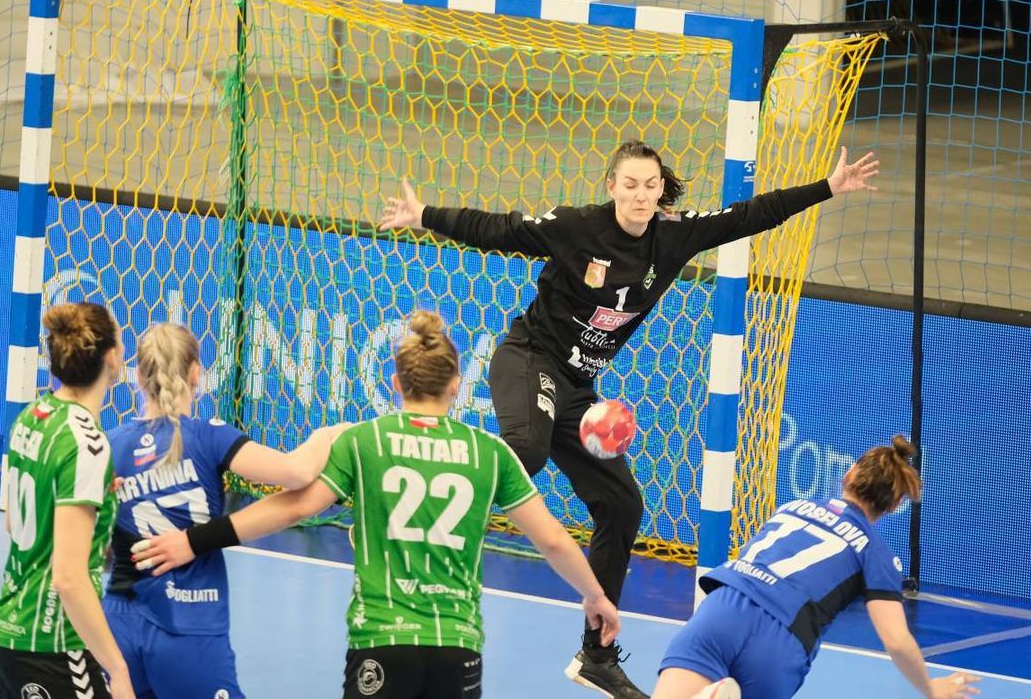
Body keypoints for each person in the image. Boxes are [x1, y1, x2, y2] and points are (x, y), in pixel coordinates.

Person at [376, 140, 881, 698]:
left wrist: (827, 188)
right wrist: (424, 216)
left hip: (578, 391)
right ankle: (423, 516)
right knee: (527, 450)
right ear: (611, 185)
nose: (640, 195)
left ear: (661, 188)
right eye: (630, 184)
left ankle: (597, 654)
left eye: (650, 185)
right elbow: (500, 230)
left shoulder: (673, 236)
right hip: (530, 360)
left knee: (622, 505)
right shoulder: (577, 227)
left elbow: (748, 215)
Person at [129, 309, 620, 699]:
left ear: (395, 383)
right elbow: (554, 539)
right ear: (456, 385)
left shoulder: (365, 442)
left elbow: (293, 508)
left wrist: (195, 540)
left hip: (381, 641)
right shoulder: (491, 455)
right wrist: (595, 596)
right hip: (457, 645)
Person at [103, 322, 348, 698]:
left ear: (137, 375)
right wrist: (328, 434)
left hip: (119, 623)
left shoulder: (112, 445)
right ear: (197, 372)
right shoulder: (209, 436)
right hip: (189, 624)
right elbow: (296, 473)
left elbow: (96, 543)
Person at [652, 436, 981, 699]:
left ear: (849, 475)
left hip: (723, 609)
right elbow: (896, 640)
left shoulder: (793, 507)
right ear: (895, 506)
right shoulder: (876, 553)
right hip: (780, 639)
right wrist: (931, 688)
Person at [0, 302, 136, 699]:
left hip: (5, 634)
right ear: (111, 358)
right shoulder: (87, 443)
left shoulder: (32, 416)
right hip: (53, 645)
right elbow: (68, 578)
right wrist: (117, 669)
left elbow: (15, 526)